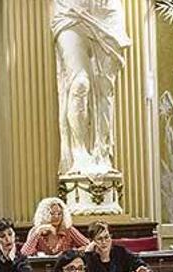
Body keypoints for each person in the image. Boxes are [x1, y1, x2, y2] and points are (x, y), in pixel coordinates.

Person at [51, 0, 130, 175]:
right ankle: (79, 154)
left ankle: (102, 153)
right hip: (70, 9)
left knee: (105, 88)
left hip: (106, 10)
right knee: (79, 83)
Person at [21, 197, 89, 255]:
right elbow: (24, 253)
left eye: (59, 214)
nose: (56, 217)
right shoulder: (35, 231)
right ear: (44, 215)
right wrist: (39, 231)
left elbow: (88, 245)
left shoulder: (68, 229)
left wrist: (73, 252)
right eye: (52, 214)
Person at [83, 221, 148, 272]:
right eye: (100, 239)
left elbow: (137, 262)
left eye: (106, 237)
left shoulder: (120, 252)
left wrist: (141, 268)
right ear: (92, 241)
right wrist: (87, 252)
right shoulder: (89, 257)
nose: (104, 242)